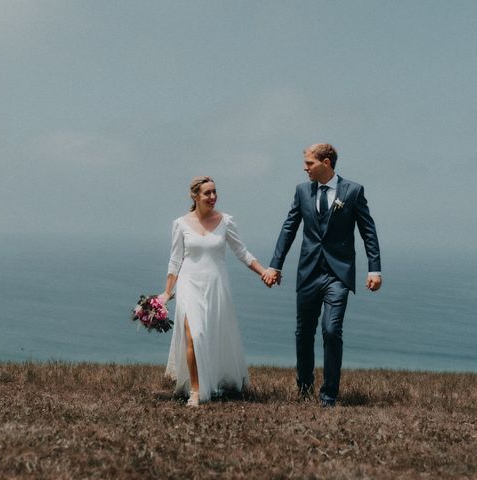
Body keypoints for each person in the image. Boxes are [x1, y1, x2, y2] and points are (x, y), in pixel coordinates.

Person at [262, 143, 382, 407]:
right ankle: (304, 388)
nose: (305, 168)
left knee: (331, 329)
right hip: (308, 272)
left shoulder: (353, 191)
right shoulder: (302, 191)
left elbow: (368, 231)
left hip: (338, 274)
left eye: (309, 163)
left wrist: (374, 268)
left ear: (326, 163)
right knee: (303, 332)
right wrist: (275, 265)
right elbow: (289, 228)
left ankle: (329, 395)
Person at [159, 176, 268, 406]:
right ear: (195, 196)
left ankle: (218, 381)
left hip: (216, 286)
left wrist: (264, 272)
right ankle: (196, 391)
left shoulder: (226, 221)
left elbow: (242, 253)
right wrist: (167, 293)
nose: (212, 197)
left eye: (214, 192)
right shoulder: (180, 224)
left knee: (212, 336)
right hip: (189, 285)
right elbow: (175, 260)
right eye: (207, 193)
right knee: (194, 335)